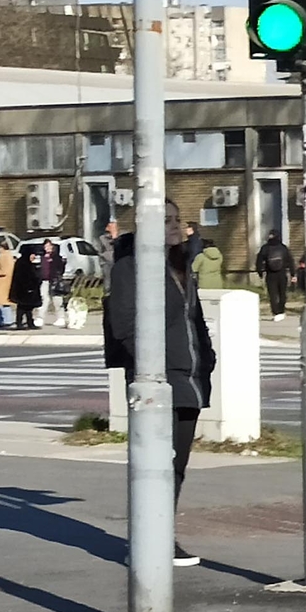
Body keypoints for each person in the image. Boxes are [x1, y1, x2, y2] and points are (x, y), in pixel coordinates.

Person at [102, 210, 216, 566]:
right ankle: (152, 537)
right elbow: (123, 324)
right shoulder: (130, 267)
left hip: (191, 376)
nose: (176, 226)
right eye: (166, 219)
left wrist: (209, 356)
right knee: (155, 464)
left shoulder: (183, 266)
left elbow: (193, 317)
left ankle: (160, 532)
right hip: (158, 378)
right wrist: (150, 368)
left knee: (177, 464)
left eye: (177, 219)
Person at [255, 230, 294, 320]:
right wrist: (293, 274)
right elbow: (290, 260)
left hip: (270, 274)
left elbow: (259, 261)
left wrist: (260, 272)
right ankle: (281, 311)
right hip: (282, 273)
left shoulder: (265, 248)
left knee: (273, 294)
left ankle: (275, 312)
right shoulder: (283, 248)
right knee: (282, 293)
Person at [12, 239, 46, 331]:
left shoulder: (27, 263)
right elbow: (24, 277)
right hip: (24, 289)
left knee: (28, 307)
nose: (34, 257)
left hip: (29, 289)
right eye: (32, 255)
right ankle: (19, 323)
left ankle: (30, 322)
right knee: (22, 307)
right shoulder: (23, 263)